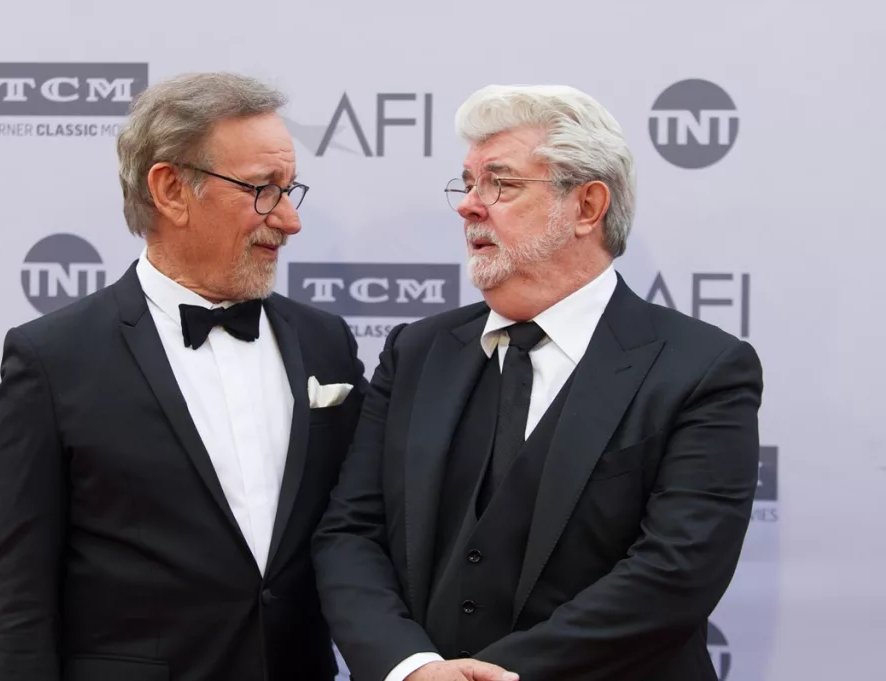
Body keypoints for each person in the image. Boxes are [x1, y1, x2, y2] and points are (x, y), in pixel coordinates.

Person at [312, 84, 763, 681]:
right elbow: (350, 532)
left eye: (500, 183)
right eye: (468, 183)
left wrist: (501, 674)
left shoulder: (703, 368)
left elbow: (677, 570)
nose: (470, 205)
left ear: (587, 206)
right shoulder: (417, 351)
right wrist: (413, 667)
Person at [0, 72, 367, 681]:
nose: (290, 221)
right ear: (169, 190)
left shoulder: (326, 343)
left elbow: (360, 532)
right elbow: (20, 598)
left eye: (290, 190)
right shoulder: (52, 359)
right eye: (263, 190)